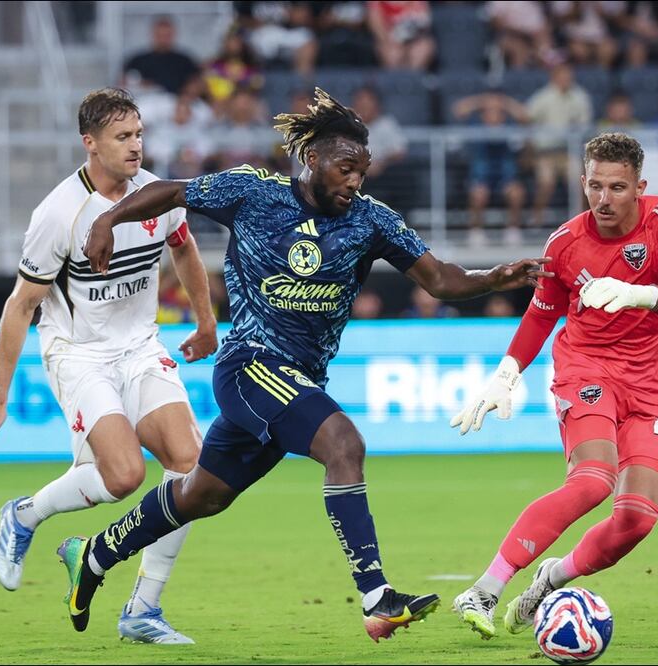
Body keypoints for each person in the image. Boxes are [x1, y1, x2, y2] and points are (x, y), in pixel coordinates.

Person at [59, 87, 552, 642]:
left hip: (297, 383)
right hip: (250, 366)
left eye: (361, 173)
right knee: (344, 443)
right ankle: (377, 594)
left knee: (203, 495)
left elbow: (440, 280)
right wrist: (107, 220)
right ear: (312, 158)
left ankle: (93, 554)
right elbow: (170, 192)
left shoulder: (371, 221)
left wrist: (494, 278)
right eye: (345, 168)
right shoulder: (252, 193)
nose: (353, 182)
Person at [0, 88, 218, 645]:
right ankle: (25, 516)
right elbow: (20, 305)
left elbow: (184, 249)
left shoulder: (157, 192)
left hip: (140, 347)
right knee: (124, 476)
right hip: (78, 353)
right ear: (91, 144)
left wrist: (206, 322)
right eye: (122, 137)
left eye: (139, 135)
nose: (136, 147)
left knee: (189, 466)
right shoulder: (60, 213)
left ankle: (143, 610)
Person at [450, 132, 658, 640]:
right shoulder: (565, 243)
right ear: (582, 183)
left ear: (640, 187)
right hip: (586, 370)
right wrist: (506, 374)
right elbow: (541, 314)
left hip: (650, 387)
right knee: (592, 482)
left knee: (637, 519)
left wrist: (635, 294)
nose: (604, 199)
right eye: (594, 186)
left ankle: (554, 577)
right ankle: (483, 588)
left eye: (616, 187)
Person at [452, 91, 529, 246]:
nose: (494, 113)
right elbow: (458, 110)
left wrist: (505, 102)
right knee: (479, 194)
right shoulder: (476, 124)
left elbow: (525, 116)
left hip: (505, 175)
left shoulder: (509, 124)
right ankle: (476, 231)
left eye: (497, 109)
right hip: (481, 175)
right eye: (490, 109)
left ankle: (512, 230)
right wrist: (482, 101)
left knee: (517, 193)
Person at [525, 64, 593, 229]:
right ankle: (536, 219)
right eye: (562, 76)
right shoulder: (542, 97)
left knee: (581, 182)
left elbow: (585, 125)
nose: (565, 79)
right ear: (554, 77)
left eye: (568, 76)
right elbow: (526, 118)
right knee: (546, 181)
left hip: (568, 152)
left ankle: (581, 221)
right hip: (545, 153)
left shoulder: (580, 97)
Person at [122, 16, 202, 96]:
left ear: (174, 34)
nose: (163, 39)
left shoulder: (185, 61)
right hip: (144, 102)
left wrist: (185, 98)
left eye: (166, 35)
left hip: (178, 102)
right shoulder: (137, 60)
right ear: (152, 34)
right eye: (159, 35)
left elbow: (196, 83)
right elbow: (123, 85)